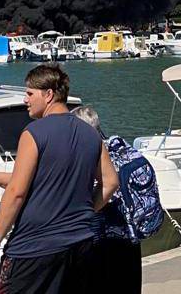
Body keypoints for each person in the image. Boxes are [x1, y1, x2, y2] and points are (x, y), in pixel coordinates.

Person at [0, 64, 119, 294]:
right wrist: (86, 211)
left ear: (49, 95)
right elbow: (111, 182)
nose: (26, 100)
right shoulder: (91, 133)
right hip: (80, 242)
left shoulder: (34, 133)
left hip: (34, 248)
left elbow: (16, 192)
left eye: (30, 93)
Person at [70, 106, 144, 294]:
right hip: (130, 238)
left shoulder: (89, 158)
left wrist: (87, 212)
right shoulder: (123, 150)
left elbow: (109, 185)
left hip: (101, 241)